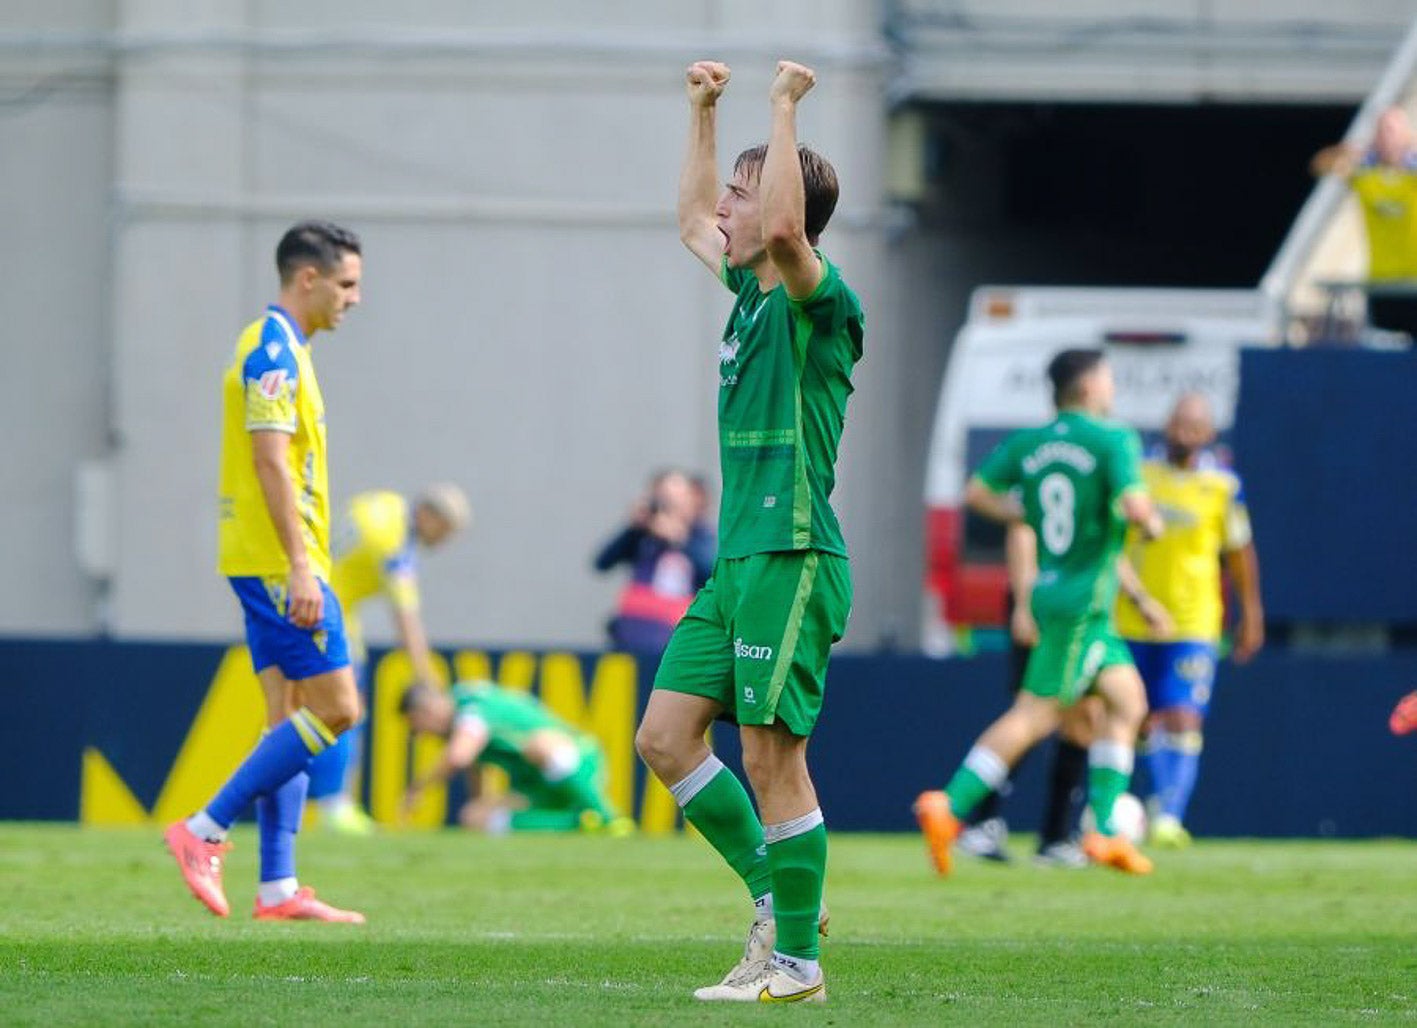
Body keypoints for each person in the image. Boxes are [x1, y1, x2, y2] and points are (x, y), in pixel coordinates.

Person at [633, 58, 863, 1004]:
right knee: (665, 738)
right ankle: (779, 905)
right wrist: (702, 113)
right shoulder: (749, 298)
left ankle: (798, 967)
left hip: (793, 555)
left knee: (773, 757)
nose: (723, 214)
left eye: (741, 194)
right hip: (736, 564)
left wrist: (780, 106)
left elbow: (772, 223)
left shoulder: (822, 303)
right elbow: (694, 222)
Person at [163, 221, 366, 923]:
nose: (355, 298)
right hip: (281, 566)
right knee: (339, 709)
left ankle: (277, 886)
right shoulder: (272, 351)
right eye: (346, 283)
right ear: (306, 278)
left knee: (288, 717)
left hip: (266, 561)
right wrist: (302, 568)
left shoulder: (286, 349)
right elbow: (269, 459)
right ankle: (204, 828)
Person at [914, 349, 1164, 878]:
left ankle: (1104, 832)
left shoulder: (1030, 444)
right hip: (1081, 604)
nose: (1112, 386)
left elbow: (976, 492)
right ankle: (951, 806)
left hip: (1062, 594)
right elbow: (1138, 507)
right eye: (1110, 377)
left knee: (1126, 700)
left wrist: (1018, 509)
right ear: (1092, 384)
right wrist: (1151, 523)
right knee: (1037, 714)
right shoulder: (1113, 438)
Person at [1118, 392, 1264, 847]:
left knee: (1182, 715)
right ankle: (1117, 810)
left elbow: (1239, 553)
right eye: (1176, 422)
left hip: (1193, 621)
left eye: (1192, 426)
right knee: (1135, 717)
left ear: (1209, 434)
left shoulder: (1222, 486)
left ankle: (1168, 815)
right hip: (1130, 618)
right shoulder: (1138, 475)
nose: (1182, 432)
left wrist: (1251, 612)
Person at [306, 484, 472, 834]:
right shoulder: (395, 546)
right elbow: (406, 619)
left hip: (309, 601)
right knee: (347, 710)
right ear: (428, 516)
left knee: (310, 711)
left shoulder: (385, 503)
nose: (441, 543)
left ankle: (321, 801)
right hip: (328, 618)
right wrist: (427, 678)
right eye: (443, 532)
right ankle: (335, 805)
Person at [400, 680, 629, 834]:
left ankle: (608, 816)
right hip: (537, 786)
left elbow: (458, 757)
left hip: (580, 761)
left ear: (426, 711)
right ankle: (579, 823)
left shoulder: (471, 706)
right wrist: (483, 802)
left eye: (416, 726)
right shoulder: (460, 720)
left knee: (539, 745)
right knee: (473, 817)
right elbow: (472, 766)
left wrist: (417, 789)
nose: (421, 735)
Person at [1311, 105, 1417, 337]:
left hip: (1413, 284)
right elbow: (1320, 165)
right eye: (1382, 131)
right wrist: (1350, 151)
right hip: (1382, 285)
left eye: (1393, 130)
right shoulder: (1366, 175)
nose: (1388, 137)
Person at [593, 469, 711, 657]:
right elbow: (601, 564)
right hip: (632, 635)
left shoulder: (701, 537)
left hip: (677, 638)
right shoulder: (641, 535)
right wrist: (633, 527)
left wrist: (679, 540)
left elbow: (711, 573)